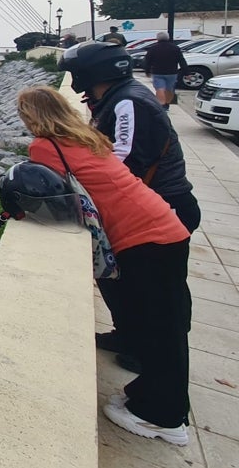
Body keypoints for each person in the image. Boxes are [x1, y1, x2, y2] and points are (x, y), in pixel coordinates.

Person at [13, 86, 191, 446]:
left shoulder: (45, 147)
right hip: (163, 224)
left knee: (159, 331)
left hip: (143, 237)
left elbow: (48, 194)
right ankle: (149, 397)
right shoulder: (87, 136)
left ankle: (164, 417)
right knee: (163, 325)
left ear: (31, 117)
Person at [57, 40, 199, 372]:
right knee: (121, 281)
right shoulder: (112, 98)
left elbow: (125, 160)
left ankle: (149, 355)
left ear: (93, 72)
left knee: (156, 292)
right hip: (142, 208)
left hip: (163, 205)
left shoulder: (128, 103)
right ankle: (129, 335)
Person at [144, 32, 189, 110]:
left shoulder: (153, 48)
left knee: (160, 88)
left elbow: (147, 61)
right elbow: (181, 60)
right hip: (172, 72)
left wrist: (147, 71)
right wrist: (186, 73)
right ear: (168, 38)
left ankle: (161, 104)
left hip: (158, 72)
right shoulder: (175, 48)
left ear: (157, 38)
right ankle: (167, 104)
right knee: (169, 89)